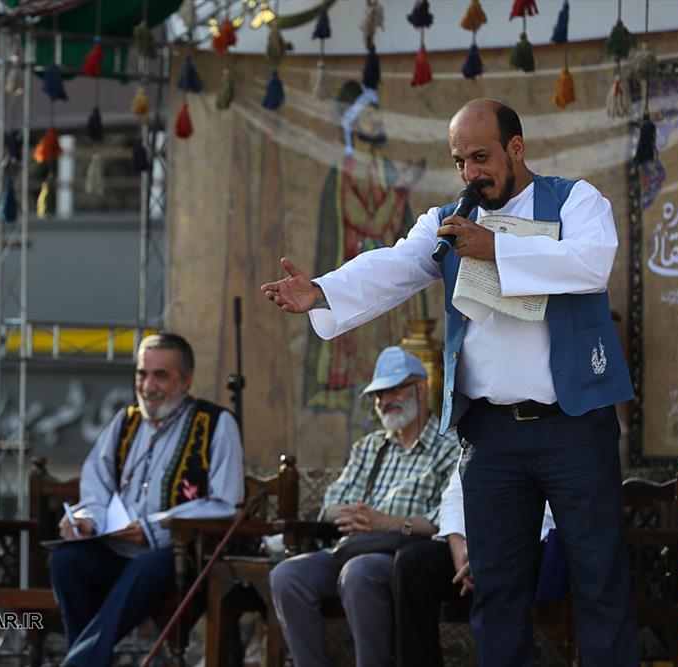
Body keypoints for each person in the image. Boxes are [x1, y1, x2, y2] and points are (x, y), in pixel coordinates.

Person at [262, 98, 638, 666]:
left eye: (480, 158)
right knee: (497, 591)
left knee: (600, 583)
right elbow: (393, 266)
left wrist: (497, 248)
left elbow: (591, 263)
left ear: (516, 148)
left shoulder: (575, 200)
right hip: (491, 436)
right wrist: (320, 291)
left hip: (574, 427)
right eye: (460, 161)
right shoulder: (449, 222)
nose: (469, 173)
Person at [49, 333, 244, 667]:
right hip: (118, 550)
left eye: (161, 375)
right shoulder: (125, 422)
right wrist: (86, 521)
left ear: (186, 380)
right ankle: (90, 660)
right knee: (66, 560)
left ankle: (80, 662)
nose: (148, 386)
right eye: (142, 374)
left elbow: (227, 503)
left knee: (147, 566)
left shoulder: (215, 423)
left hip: (179, 556)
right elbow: (96, 487)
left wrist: (154, 529)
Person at [270, 347, 459, 667]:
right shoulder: (369, 447)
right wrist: (350, 515)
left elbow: (446, 519)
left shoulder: (449, 447)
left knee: (359, 573)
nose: (385, 400)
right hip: (352, 545)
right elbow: (331, 503)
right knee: (287, 575)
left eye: (394, 390)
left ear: (422, 388)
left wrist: (387, 522)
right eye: (378, 395)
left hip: (402, 554)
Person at [304, 79, 426, 412]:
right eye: (369, 115)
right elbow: (368, 223)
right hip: (361, 273)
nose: (377, 120)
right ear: (354, 123)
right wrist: (401, 189)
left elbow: (394, 226)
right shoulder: (348, 171)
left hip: (387, 275)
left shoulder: (384, 166)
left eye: (377, 113)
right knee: (365, 369)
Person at [393, 446, 557, 667]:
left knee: (500, 568)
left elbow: (551, 513)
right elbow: (455, 495)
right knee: (413, 563)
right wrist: (458, 543)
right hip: (473, 547)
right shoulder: (483, 433)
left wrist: (491, 550)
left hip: (531, 545)